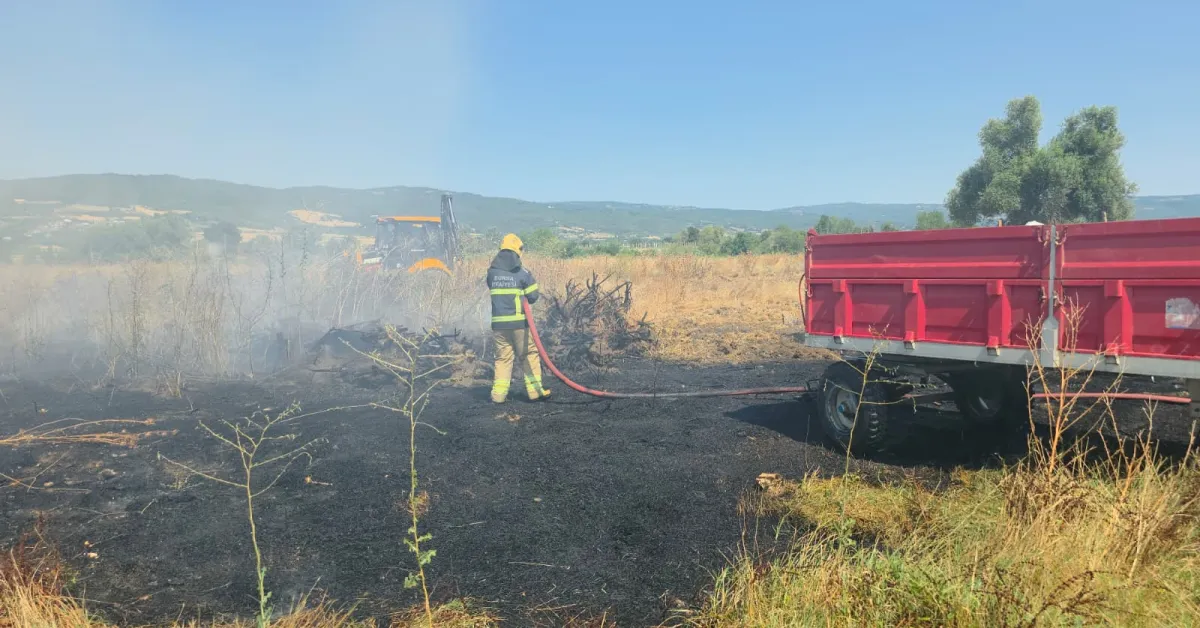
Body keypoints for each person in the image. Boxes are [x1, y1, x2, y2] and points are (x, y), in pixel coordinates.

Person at [487, 233, 551, 403]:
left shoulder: (492, 273)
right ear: (517, 251)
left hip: (499, 326)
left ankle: (498, 396)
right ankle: (535, 392)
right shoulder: (523, 273)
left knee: (503, 358)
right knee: (528, 354)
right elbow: (533, 296)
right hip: (519, 325)